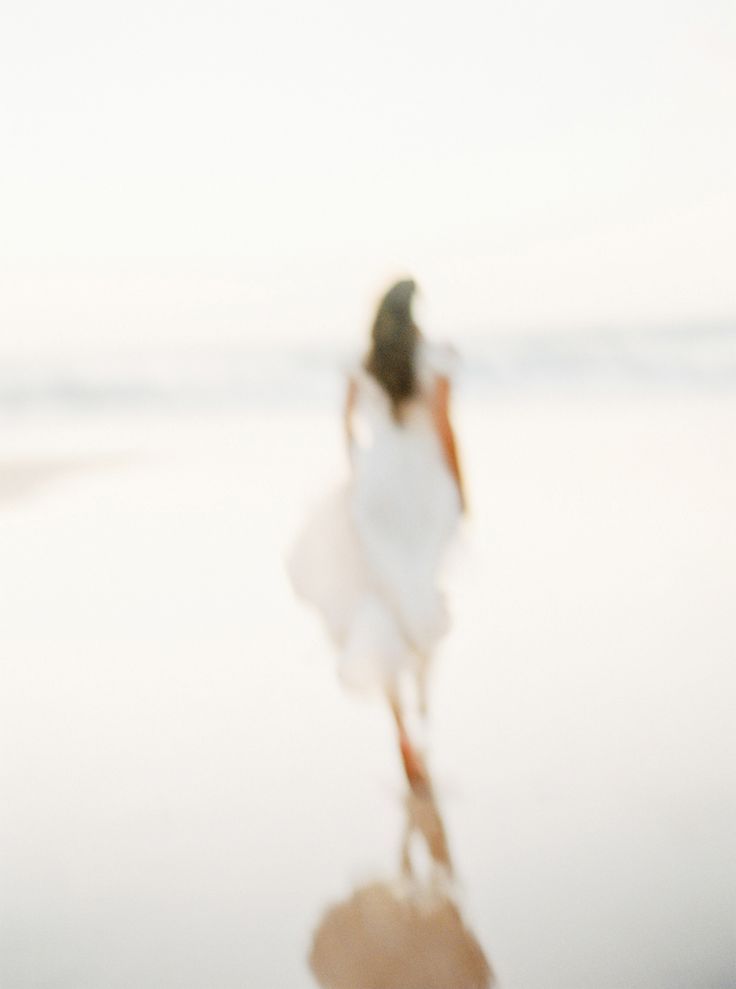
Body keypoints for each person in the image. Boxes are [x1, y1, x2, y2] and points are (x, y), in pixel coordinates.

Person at [288, 279, 465, 760]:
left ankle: (400, 720)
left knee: (382, 594)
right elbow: (444, 427)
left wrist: (357, 466)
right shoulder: (435, 356)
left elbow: (345, 420)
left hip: (377, 482)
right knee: (420, 591)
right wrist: (460, 488)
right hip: (423, 486)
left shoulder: (362, 361)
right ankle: (423, 699)